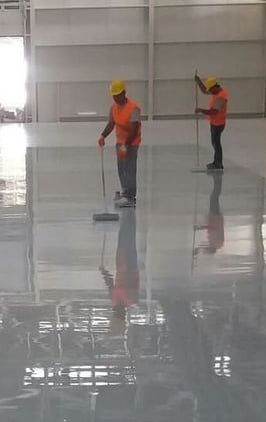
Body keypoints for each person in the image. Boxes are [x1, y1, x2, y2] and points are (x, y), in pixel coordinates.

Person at [98, 79, 142, 208]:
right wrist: (103, 136)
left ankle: (130, 197)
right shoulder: (114, 108)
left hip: (131, 143)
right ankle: (125, 193)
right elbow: (111, 124)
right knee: (122, 168)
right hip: (120, 142)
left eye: (118, 95)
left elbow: (134, 130)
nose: (116, 98)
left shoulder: (134, 108)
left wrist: (126, 145)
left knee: (129, 168)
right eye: (114, 95)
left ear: (124, 92)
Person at [100, 208, 139, 336]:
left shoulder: (115, 300)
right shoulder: (131, 300)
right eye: (117, 314)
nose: (114, 311)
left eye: (114, 314)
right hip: (130, 263)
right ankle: (130, 211)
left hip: (121, 261)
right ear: (123, 315)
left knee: (123, 235)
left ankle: (127, 211)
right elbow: (135, 281)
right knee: (129, 236)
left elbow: (110, 285)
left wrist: (104, 271)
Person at [195, 75, 229, 170]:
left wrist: (201, 110)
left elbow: (214, 111)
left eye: (210, 89)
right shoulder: (216, 91)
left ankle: (218, 163)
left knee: (216, 143)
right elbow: (204, 90)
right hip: (214, 122)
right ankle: (216, 162)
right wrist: (198, 81)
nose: (210, 91)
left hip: (218, 123)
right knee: (214, 142)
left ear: (215, 87)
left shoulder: (222, 96)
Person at [194, 171, 224, 254]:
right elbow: (213, 228)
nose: (206, 247)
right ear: (210, 250)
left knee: (214, 197)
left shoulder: (214, 244)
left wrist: (198, 249)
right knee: (214, 197)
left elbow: (205, 243)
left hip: (215, 217)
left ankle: (217, 178)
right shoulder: (216, 243)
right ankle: (217, 177)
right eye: (207, 249)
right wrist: (201, 227)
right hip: (215, 217)